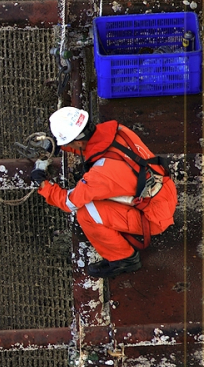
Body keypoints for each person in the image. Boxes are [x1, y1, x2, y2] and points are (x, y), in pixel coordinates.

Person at [32, 107, 177, 279]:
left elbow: (68, 202)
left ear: (77, 142)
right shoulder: (120, 131)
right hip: (165, 191)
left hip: (155, 217)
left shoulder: (100, 174)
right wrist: (58, 148)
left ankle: (124, 259)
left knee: (87, 213)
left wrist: (42, 184)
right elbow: (96, 146)